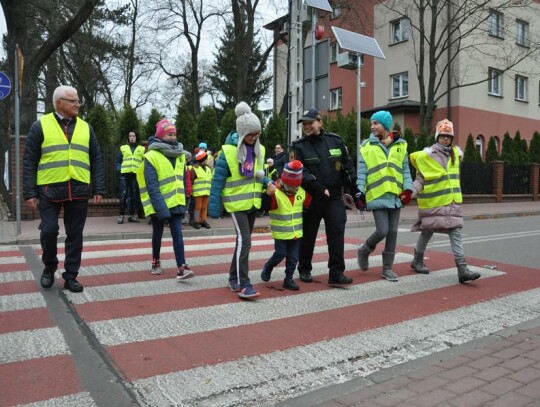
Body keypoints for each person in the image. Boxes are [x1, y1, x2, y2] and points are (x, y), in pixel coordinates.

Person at [23, 85, 105, 293]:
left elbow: (96, 159)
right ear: (59, 103)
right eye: (73, 101)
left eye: (78, 101)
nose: (78, 104)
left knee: (75, 235)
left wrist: (99, 188)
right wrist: (30, 192)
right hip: (49, 189)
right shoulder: (40, 126)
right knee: (49, 231)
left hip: (78, 189)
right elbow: (29, 161)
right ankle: (49, 267)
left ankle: (71, 276)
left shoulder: (86, 128)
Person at [209, 101, 275, 299]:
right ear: (241, 132)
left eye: (257, 134)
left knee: (242, 242)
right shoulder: (228, 152)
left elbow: (259, 174)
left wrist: (269, 183)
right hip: (236, 204)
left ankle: (233, 277)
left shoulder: (259, 150)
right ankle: (244, 283)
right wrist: (214, 208)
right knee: (245, 242)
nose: (254, 138)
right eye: (250, 134)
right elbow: (217, 180)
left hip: (253, 203)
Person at [289, 108, 357, 286]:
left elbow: (347, 165)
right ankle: (304, 268)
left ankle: (336, 273)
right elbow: (300, 172)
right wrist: (317, 188)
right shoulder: (298, 147)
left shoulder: (335, 141)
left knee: (336, 233)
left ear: (320, 122)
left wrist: (353, 187)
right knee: (308, 235)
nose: (307, 127)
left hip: (334, 197)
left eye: (310, 123)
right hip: (312, 197)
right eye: (304, 124)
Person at [409, 119, 481, 284]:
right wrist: (410, 192)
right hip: (434, 203)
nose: (446, 139)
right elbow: (420, 179)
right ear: (437, 137)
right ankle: (417, 260)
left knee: (455, 232)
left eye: (448, 137)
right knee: (427, 231)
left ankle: (462, 269)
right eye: (442, 136)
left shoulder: (455, 155)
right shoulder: (426, 156)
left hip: (452, 203)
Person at [356, 110, 413, 282]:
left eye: (376, 123)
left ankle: (387, 268)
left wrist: (408, 189)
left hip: (395, 194)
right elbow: (362, 172)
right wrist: (360, 190)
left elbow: (405, 170)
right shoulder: (366, 146)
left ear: (386, 126)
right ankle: (364, 250)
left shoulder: (400, 145)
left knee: (393, 232)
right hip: (377, 193)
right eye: (371, 123)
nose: (372, 126)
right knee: (382, 230)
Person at [137, 118, 194, 280]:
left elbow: (182, 179)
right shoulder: (151, 156)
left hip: (176, 202)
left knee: (178, 233)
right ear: (161, 136)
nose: (173, 137)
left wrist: (185, 198)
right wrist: (161, 209)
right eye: (170, 134)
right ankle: (156, 261)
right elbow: (152, 186)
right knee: (158, 233)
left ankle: (181, 267)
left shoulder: (181, 155)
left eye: (175, 134)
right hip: (159, 204)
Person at [261, 160, 311, 290]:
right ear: (284, 181)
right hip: (281, 233)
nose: (293, 189)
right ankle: (269, 266)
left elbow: (310, 205)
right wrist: (267, 195)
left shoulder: (301, 192)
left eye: (296, 186)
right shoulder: (275, 192)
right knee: (280, 254)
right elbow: (265, 207)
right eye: (290, 186)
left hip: (296, 233)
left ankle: (288, 279)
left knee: (294, 258)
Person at [116, 130, 145, 224]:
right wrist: (118, 170)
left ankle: (132, 216)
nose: (132, 137)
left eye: (133, 136)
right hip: (124, 174)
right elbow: (118, 161)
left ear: (136, 137)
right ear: (128, 137)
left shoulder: (141, 149)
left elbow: (144, 162)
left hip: (135, 175)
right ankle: (121, 216)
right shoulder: (123, 148)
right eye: (130, 136)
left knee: (133, 196)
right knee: (123, 195)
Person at [190, 149, 212, 229]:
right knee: (197, 207)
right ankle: (196, 221)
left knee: (204, 207)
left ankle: (203, 220)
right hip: (198, 192)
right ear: (203, 159)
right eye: (206, 158)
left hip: (206, 191)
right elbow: (191, 180)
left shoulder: (208, 169)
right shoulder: (194, 169)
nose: (207, 159)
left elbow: (210, 179)